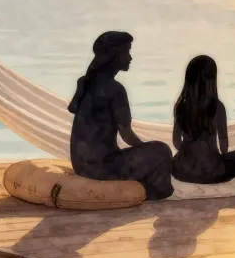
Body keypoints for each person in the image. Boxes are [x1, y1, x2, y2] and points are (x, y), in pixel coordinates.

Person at [68, 31, 174, 200]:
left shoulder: (85, 82)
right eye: (127, 52)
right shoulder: (115, 90)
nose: (130, 58)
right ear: (115, 55)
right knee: (161, 150)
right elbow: (126, 134)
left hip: (81, 165)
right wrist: (144, 150)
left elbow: (72, 108)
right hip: (101, 168)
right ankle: (155, 191)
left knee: (150, 152)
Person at [171, 55, 235, 184]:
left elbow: (176, 141)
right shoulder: (217, 107)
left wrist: (188, 154)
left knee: (174, 161)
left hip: (183, 172)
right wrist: (221, 156)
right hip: (210, 172)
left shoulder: (181, 106)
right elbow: (223, 141)